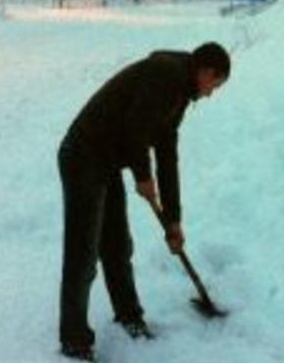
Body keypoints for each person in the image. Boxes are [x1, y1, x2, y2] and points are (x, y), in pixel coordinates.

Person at [56, 42, 230, 361]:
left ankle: (129, 316)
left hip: (106, 161)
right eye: (215, 85)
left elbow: (166, 154)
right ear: (205, 72)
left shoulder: (180, 95)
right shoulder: (165, 74)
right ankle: (74, 340)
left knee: (117, 246)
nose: (211, 93)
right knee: (83, 254)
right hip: (82, 156)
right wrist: (141, 175)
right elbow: (135, 127)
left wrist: (173, 220)